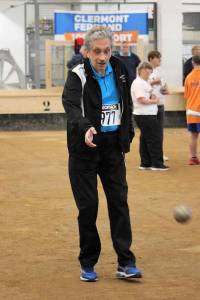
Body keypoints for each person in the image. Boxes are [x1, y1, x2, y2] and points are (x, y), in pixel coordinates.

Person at [62, 26, 142, 282]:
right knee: (88, 207)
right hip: (84, 149)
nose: (102, 57)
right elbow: (72, 107)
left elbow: (125, 105)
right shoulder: (77, 75)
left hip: (112, 149)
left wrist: (126, 134)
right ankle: (88, 262)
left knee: (119, 202)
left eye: (107, 51)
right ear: (86, 51)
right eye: (97, 51)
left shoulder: (120, 70)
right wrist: (86, 128)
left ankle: (125, 262)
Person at [131, 62, 169, 171]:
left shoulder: (144, 82)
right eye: (148, 71)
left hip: (146, 114)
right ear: (142, 70)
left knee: (145, 138)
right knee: (154, 138)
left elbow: (148, 92)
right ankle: (157, 164)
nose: (150, 74)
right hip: (145, 115)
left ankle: (146, 163)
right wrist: (154, 100)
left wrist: (152, 95)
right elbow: (141, 99)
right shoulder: (138, 83)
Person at [148, 50, 169, 162]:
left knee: (160, 131)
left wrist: (165, 89)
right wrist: (153, 82)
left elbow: (164, 87)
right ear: (151, 59)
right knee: (152, 131)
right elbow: (144, 85)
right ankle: (151, 155)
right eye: (157, 58)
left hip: (160, 104)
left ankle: (159, 153)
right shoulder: (145, 71)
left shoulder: (161, 71)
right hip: (150, 106)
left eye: (160, 58)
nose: (159, 60)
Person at [184, 55, 200, 165]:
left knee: (193, 135)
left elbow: (187, 95)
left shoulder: (188, 77)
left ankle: (193, 158)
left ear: (193, 62)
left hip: (192, 111)